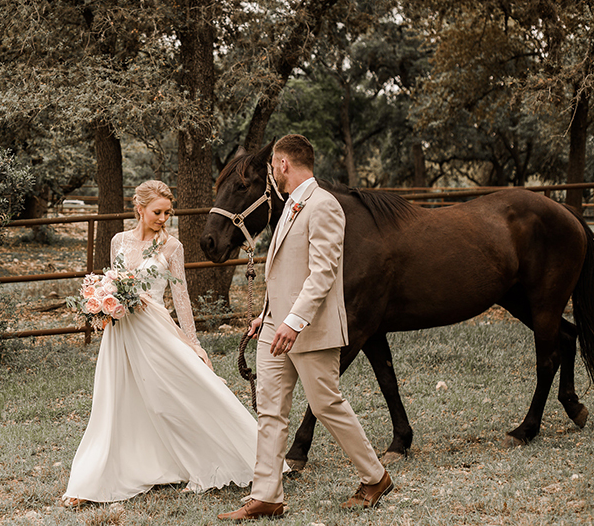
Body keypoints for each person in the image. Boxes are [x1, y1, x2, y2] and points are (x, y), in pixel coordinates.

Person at [218, 135, 392, 521]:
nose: (272, 173)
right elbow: (286, 273)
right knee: (270, 411)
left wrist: (294, 322)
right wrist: (267, 314)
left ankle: (376, 476)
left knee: (326, 404)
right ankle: (266, 496)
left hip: (308, 330)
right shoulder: (288, 206)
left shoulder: (324, 205)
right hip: (274, 328)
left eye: (272, 166)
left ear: (282, 164)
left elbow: (323, 272)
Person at [62, 180, 257, 507]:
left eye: (168, 212)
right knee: (114, 403)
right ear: (139, 208)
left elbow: (180, 299)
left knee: (174, 396)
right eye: (157, 211)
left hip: (156, 331)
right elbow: (113, 280)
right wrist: (102, 302)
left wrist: (193, 344)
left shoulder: (172, 247)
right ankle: (89, 483)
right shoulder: (118, 241)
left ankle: (220, 460)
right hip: (121, 333)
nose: (163, 217)